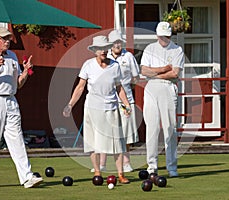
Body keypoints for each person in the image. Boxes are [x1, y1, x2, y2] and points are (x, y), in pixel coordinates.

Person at [0, 27, 43, 188]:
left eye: (8, 38)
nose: (8, 41)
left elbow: (18, 84)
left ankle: (27, 177)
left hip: (11, 100)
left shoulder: (13, 57)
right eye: (4, 38)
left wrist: (26, 71)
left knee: (17, 139)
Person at [63, 35, 131, 184]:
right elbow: (80, 87)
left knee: (117, 144)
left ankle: (120, 174)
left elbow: (119, 88)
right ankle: (98, 173)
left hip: (111, 108)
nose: (104, 51)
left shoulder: (115, 66)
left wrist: (126, 104)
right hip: (92, 109)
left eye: (105, 48)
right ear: (94, 51)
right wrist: (70, 105)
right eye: (100, 49)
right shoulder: (88, 65)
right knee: (93, 144)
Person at [90, 30, 140, 173]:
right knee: (105, 133)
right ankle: (102, 164)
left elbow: (135, 78)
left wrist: (126, 92)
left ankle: (126, 163)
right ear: (110, 45)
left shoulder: (129, 56)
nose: (118, 44)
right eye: (115, 42)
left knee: (125, 134)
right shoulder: (105, 57)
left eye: (120, 42)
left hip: (125, 99)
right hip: (109, 101)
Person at [140, 22, 184, 177]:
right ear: (157, 35)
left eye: (166, 36)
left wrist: (155, 74)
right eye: (161, 36)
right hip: (151, 87)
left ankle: (172, 167)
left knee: (170, 128)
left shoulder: (177, 50)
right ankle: (152, 166)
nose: (164, 39)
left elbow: (175, 73)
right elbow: (144, 70)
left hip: (168, 86)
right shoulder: (150, 49)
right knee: (152, 128)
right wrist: (163, 69)